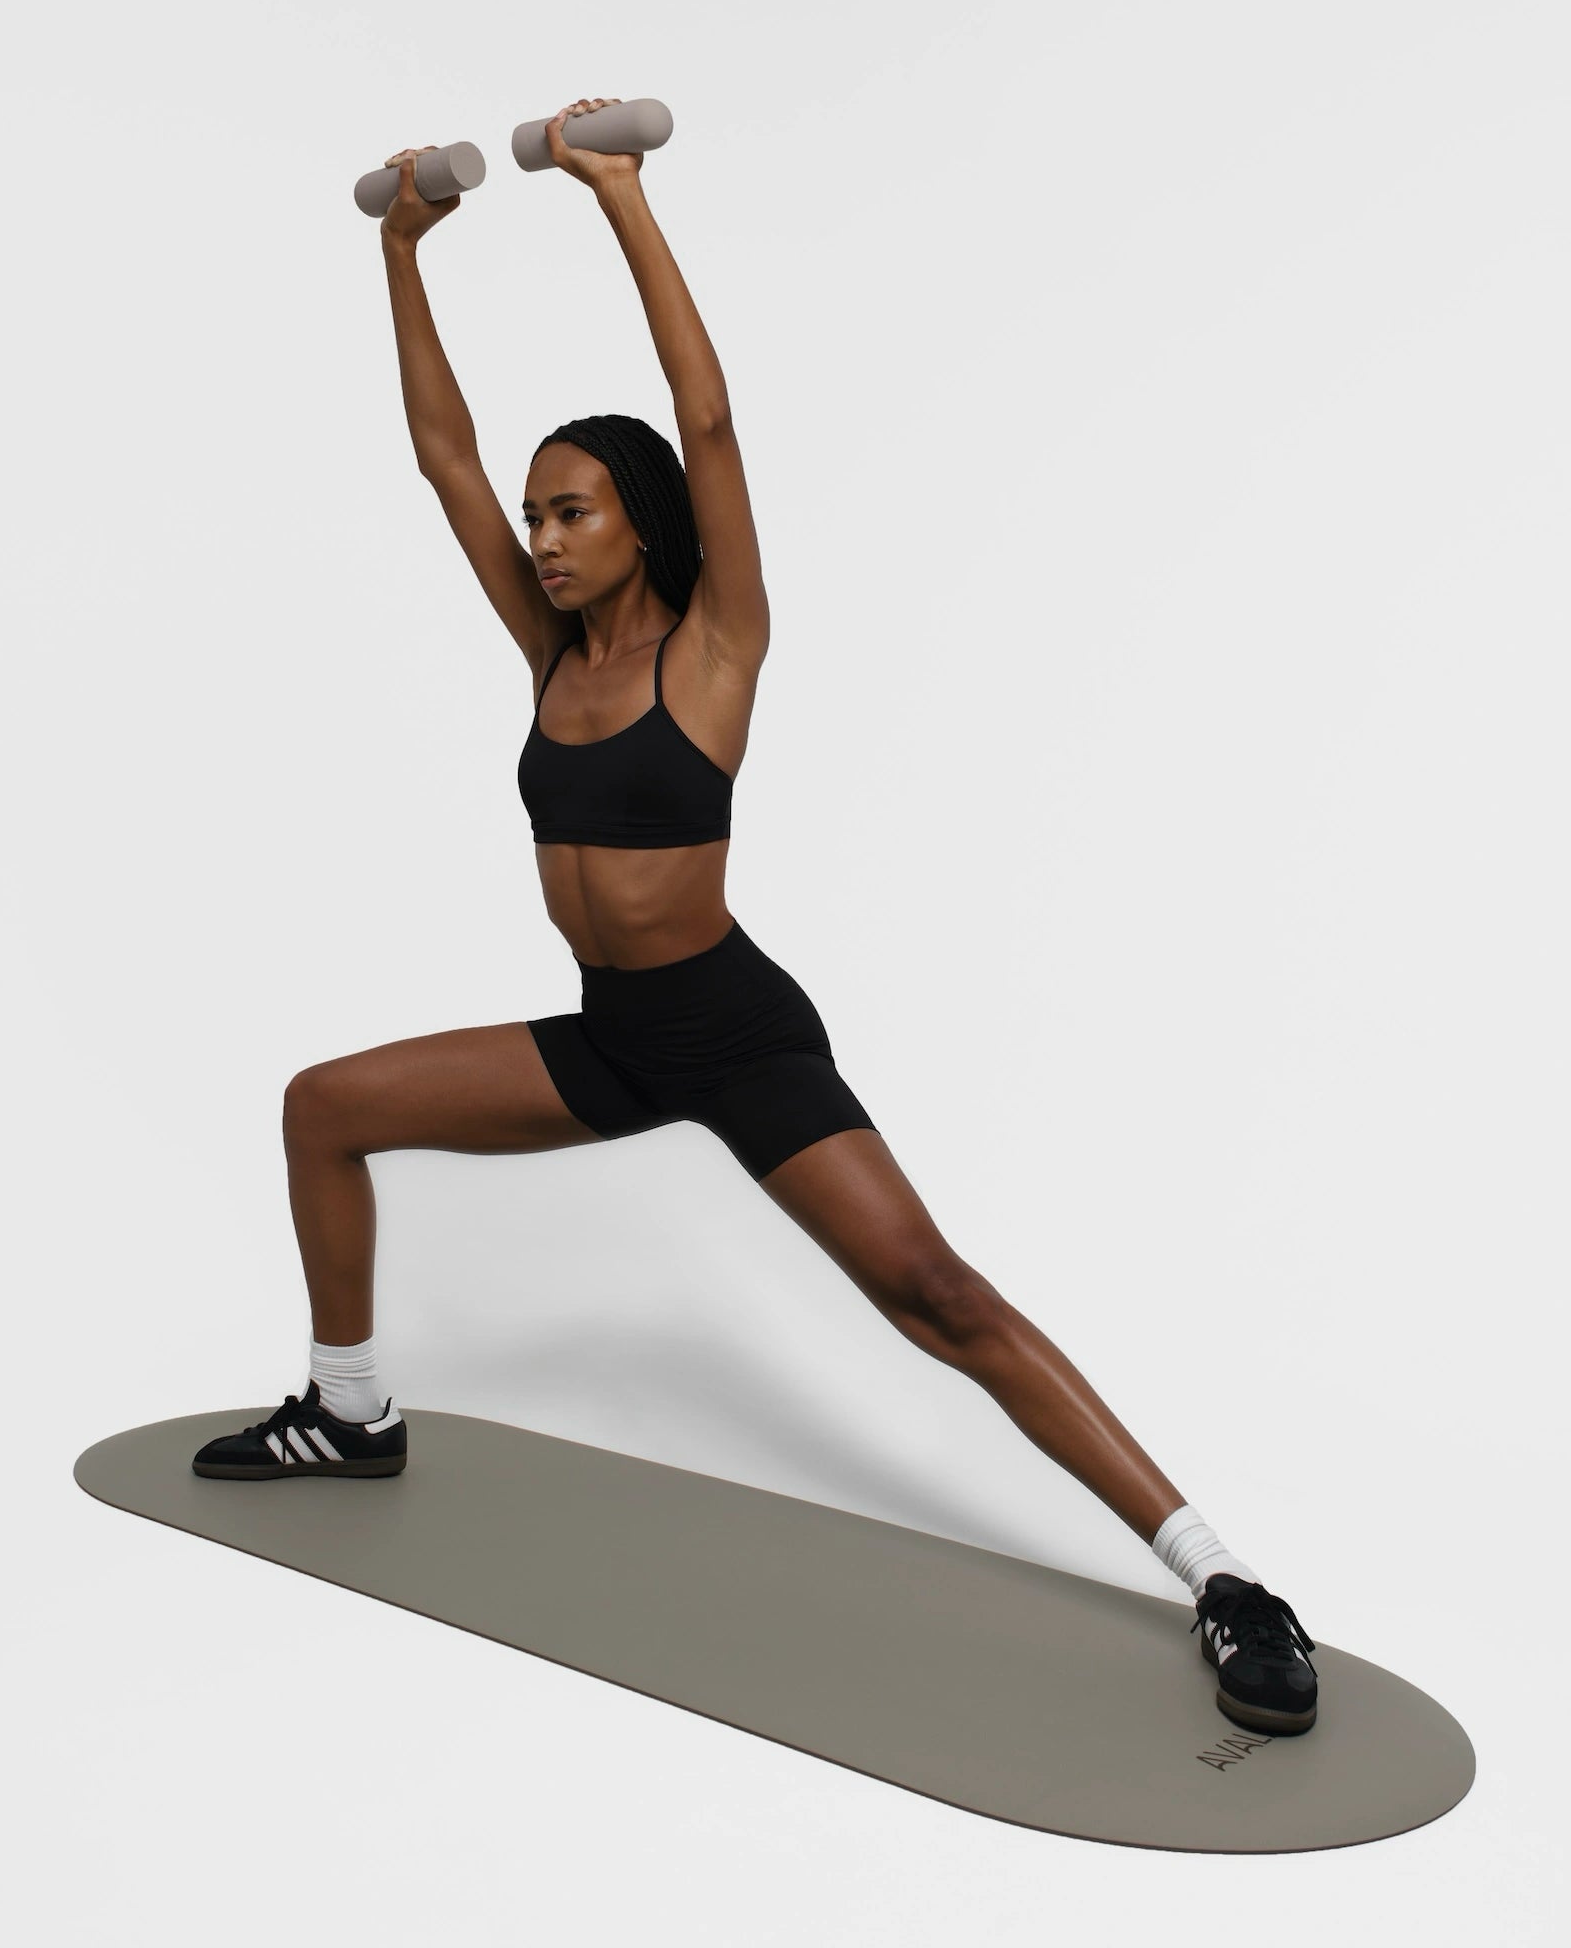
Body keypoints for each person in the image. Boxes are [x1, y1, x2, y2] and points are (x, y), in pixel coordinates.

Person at [193, 101, 1317, 1736]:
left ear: (639, 521)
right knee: (322, 1111)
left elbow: (706, 424)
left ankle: (1223, 1577)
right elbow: (441, 459)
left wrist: (618, 198)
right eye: (536, 517)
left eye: (570, 512)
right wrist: (400, 252)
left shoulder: (713, 647)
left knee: (940, 1298)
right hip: (611, 1040)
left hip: (733, 1029)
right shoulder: (551, 653)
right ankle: (354, 1416)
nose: (540, 536)